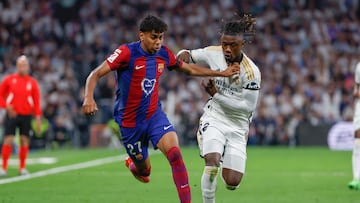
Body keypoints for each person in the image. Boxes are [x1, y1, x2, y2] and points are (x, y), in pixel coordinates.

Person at [82, 15, 239, 203]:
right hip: (130, 122)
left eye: (161, 37)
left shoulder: (164, 54)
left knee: (175, 154)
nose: (158, 42)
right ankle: (134, 164)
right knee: (144, 172)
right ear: (142, 35)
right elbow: (95, 74)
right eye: (154, 37)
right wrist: (88, 97)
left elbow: (188, 69)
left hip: (154, 116)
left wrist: (221, 73)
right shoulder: (126, 52)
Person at [177, 14, 260, 202]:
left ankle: (223, 150)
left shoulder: (252, 72)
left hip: (238, 127)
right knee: (212, 163)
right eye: (224, 44)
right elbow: (189, 55)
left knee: (232, 182)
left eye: (233, 45)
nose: (227, 49)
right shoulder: (214, 52)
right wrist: (182, 54)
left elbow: (246, 108)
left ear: (242, 44)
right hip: (214, 117)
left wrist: (216, 94)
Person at [0, 55, 42, 176]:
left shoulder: (32, 82)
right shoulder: (9, 80)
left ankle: (22, 167)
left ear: (27, 67)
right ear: (16, 66)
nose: (22, 67)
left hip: (26, 115)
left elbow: (36, 101)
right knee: (8, 139)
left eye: (24, 65)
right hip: (12, 114)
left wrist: (38, 117)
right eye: (20, 65)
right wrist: (6, 106)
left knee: (24, 140)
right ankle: (3, 167)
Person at [349, 61, 360, 190]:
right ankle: (356, 178)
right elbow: (357, 86)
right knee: (358, 139)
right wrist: (355, 91)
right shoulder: (359, 66)